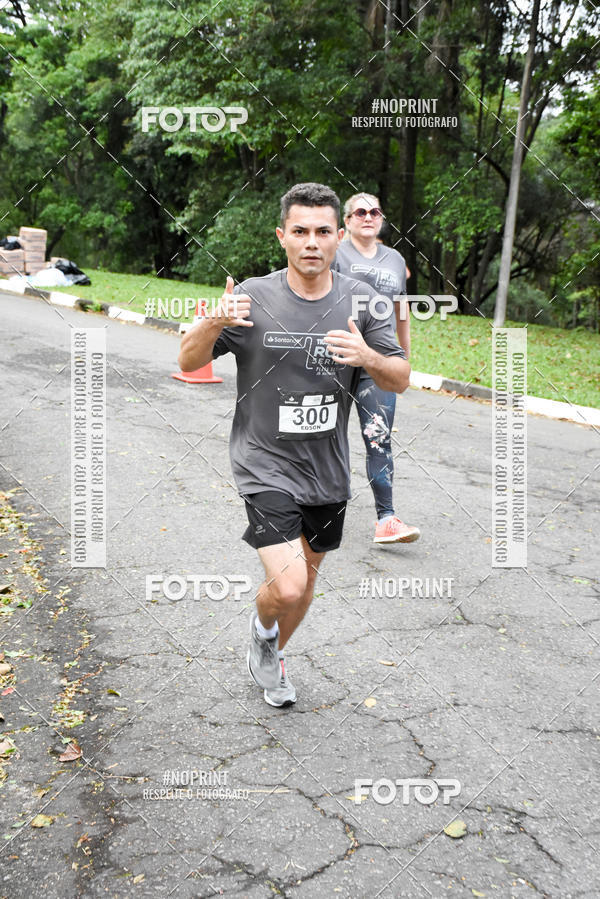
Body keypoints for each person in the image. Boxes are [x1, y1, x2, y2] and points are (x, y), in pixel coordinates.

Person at [178, 183, 410, 708]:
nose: (312, 242)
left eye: (323, 231)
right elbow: (190, 360)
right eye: (300, 231)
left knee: (305, 585)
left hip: (328, 470)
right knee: (285, 587)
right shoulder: (253, 298)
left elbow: (398, 377)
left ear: (339, 236)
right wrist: (216, 318)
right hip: (264, 464)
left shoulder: (363, 301)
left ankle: (275, 650)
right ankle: (264, 633)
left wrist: (366, 356)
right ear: (282, 236)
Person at [334, 192, 420, 545]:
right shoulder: (335, 252)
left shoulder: (396, 259)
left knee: (378, 437)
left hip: (379, 360)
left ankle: (386, 519)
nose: (368, 216)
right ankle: (309, 506)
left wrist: (404, 360)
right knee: (322, 434)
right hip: (337, 354)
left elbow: (402, 311)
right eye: (360, 211)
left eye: (375, 211)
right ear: (347, 220)